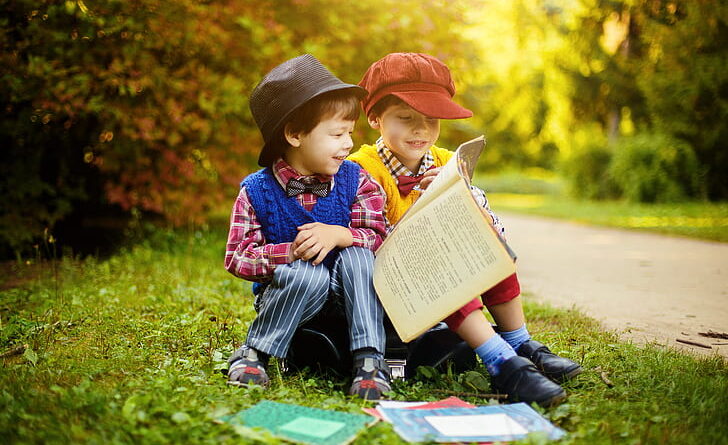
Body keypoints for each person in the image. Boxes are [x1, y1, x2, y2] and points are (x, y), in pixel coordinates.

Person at [348, 52, 582, 407]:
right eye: (405, 118)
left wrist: (460, 198)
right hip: (386, 283)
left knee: (488, 243)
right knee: (441, 264)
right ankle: (501, 362)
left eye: (430, 119)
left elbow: (482, 218)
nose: (420, 130)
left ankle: (519, 342)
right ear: (376, 118)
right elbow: (368, 241)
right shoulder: (361, 169)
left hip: (434, 275)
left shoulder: (445, 161)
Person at [224, 54, 391, 400]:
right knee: (306, 272)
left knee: (358, 257)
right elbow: (238, 257)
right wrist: (291, 254)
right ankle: (256, 353)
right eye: (337, 133)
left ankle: (370, 362)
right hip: (295, 298)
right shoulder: (257, 190)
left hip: (351, 297)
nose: (348, 143)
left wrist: (341, 235)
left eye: (350, 132)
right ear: (295, 134)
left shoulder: (357, 180)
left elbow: (378, 237)